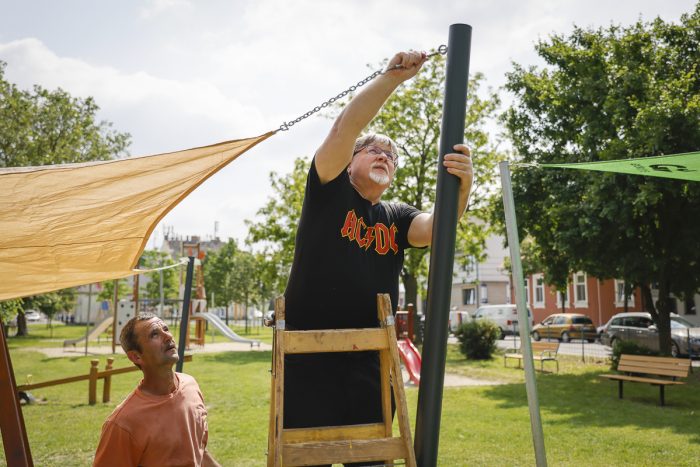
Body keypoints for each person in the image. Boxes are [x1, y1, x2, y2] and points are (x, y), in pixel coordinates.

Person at [283, 50, 473, 451]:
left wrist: (463, 187)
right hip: (309, 353)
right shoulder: (328, 190)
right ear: (350, 161)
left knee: (371, 457)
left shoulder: (397, 216)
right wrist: (393, 79)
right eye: (373, 150)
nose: (384, 156)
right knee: (310, 458)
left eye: (391, 156)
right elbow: (345, 127)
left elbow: (437, 228)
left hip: (369, 357)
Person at [94, 312, 220, 467]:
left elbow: (198, 451)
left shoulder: (190, 386)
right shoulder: (122, 424)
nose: (168, 336)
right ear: (136, 357)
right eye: (154, 334)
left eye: (166, 329)